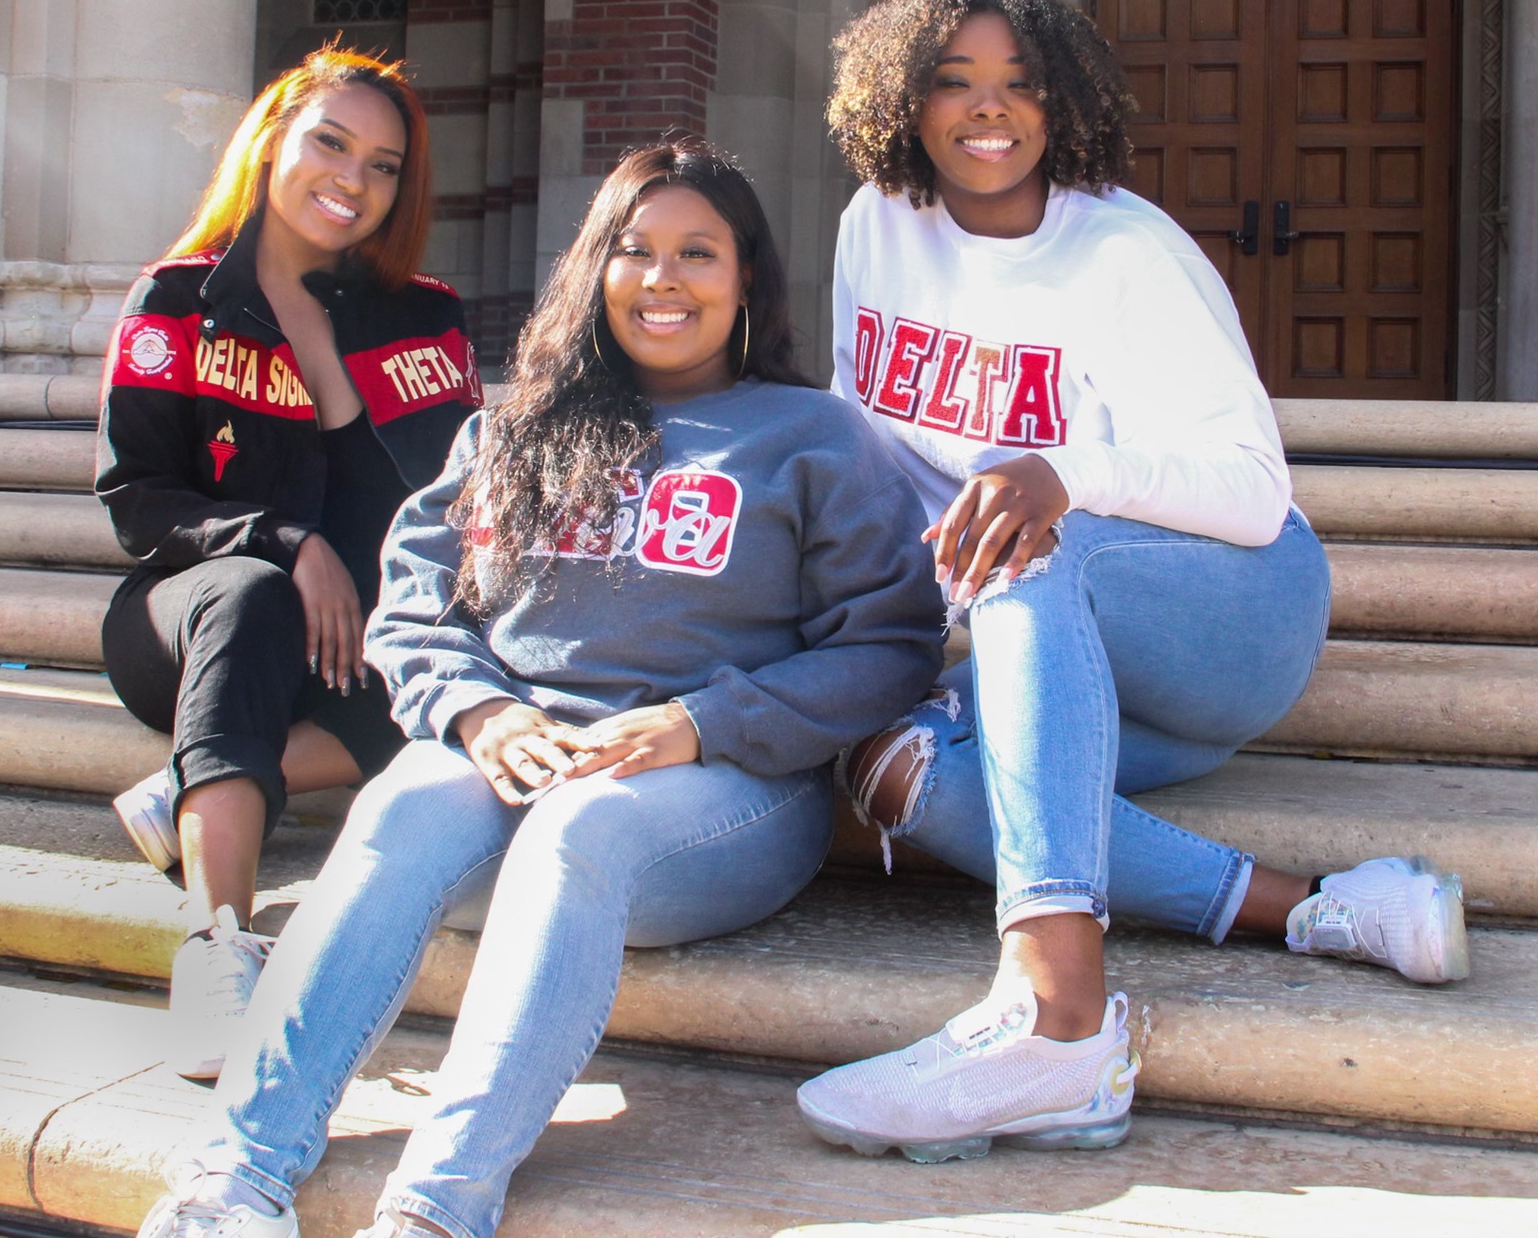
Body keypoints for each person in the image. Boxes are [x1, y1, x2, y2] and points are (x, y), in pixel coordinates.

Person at [134, 141, 945, 1238]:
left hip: (714, 793)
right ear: (594, 270)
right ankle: (234, 1181)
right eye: (634, 249)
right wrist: (478, 708)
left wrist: (701, 720)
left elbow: (891, 645)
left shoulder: (813, 436)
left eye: (696, 253)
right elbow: (414, 602)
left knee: (581, 826)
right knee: (403, 803)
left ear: (745, 277)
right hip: (508, 751)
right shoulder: (512, 430)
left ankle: (436, 1206)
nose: (662, 279)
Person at [795, 0, 1469, 1163]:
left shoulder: (1126, 250)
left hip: (1227, 615)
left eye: (1018, 84)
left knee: (1022, 540)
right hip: (1056, 646)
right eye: (952, 81)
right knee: (898, 765)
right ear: (902, 101)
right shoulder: (876, 225)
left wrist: (1063, 471)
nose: (985, 110)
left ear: (1062, 104)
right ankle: (1317, 905)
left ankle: (1055, 1019)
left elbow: (1252, 491)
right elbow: (876, 449)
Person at [95, 48, 480, 1078]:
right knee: (256, 589)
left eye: (385, 165)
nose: (353, 179)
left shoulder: (423, 317)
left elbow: (458, 494)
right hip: (194, 616)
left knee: (459, 678)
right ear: (272, 139)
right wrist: (285, 537)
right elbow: (136, 500)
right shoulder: (177, 299)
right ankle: (218, 942)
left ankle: (203, 775)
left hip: (350, 646)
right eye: (330, 142)